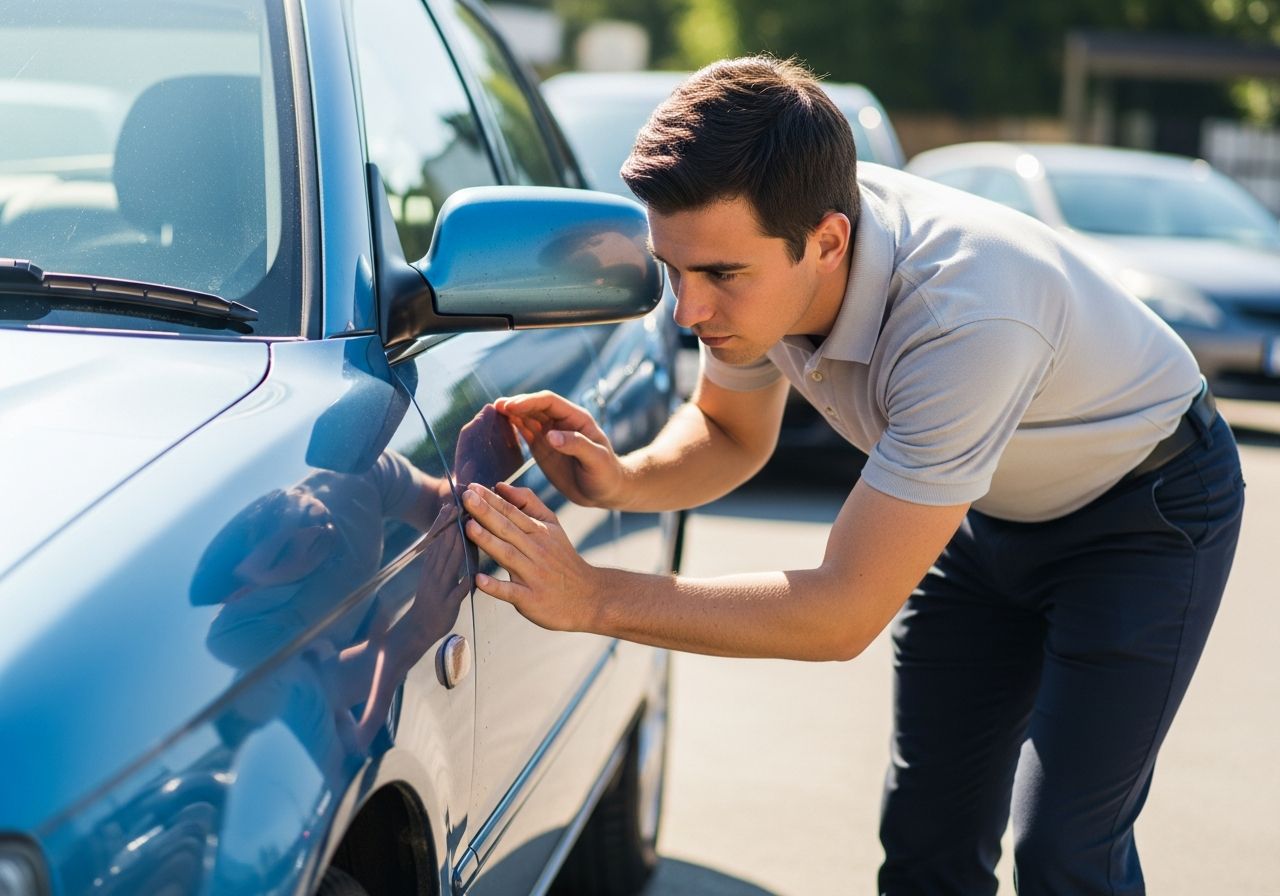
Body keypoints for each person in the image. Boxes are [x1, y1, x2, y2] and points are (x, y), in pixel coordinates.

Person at [460, 56, 1245, 895]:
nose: (687, 311)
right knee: (927, 841)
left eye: (721, 276)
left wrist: (594, 598)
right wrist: (621, 480)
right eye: (673, 270)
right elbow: (729, 433)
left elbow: (838, 615)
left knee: (1065, 854)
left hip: (1145, 519)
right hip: (980, 517)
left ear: (829, 242)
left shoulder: (966, 312)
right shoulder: (774, 228)